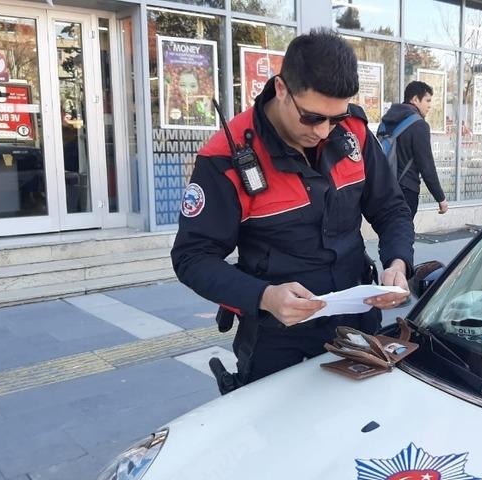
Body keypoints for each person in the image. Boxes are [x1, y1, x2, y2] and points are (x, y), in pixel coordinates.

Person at [171, 29, 414, 395]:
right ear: (281, 88)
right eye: (312, 117)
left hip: (357, 321)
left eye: (335, 118)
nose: (324, 132)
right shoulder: (225, 157)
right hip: (277, 334)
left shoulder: (354, 132)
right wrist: (264, 296)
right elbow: (192, 257)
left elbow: (391, 207)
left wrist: (397, 262)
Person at [379, 81, 448, 218]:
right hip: (405, 190)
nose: (429, 106)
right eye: (427, 100)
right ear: (415, 99)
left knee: (387, 228)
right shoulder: (419, 125)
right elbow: (426, 166)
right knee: (403, 229)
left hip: (384, 187)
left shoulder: (386, 120)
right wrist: (440, 198)